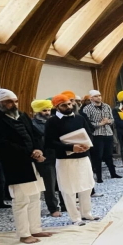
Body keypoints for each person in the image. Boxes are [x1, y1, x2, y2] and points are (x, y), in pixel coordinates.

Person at [0, 89, 54, 244]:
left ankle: (36, 228)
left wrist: (38, 149)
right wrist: (29, 152)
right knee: (21, 200)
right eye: (9, 101)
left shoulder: (22, 115)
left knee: (35, 197)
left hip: (33, 162)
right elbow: (1, 144)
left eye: (15, 101)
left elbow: (35, 135)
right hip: (15, 164)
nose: (13, 104)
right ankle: (24, 233)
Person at [44, 94, 98, 225]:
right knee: (69, 189)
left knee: (86, 186)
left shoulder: (79, 118)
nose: (68, 107)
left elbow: (89, 133)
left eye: (69, 104)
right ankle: (75, 217)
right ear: (57, 107)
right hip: (65, 159)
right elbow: (50, 143)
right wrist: (71, 147)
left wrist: (87, 144)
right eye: (64, 105)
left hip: (83, 157)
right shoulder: (52, 122)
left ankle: (86, 213)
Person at [30, 99, 61, 217]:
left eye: (49, 110)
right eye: (44, 110)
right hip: (45, 157)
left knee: (62, 182)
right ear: (37, 111)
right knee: (50, 185)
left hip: (57, 155)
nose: (47, 113)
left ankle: (65, 205)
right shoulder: (33, 124)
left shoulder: (54, 121)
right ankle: (53, 208)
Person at [81, 90, 120, 182]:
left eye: (99, 95)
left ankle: (113, 173)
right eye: (96, 96)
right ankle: (99, 177)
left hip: (108, 133)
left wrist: (108, 121)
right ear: (91, 98)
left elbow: (112, 119)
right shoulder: (87, 108)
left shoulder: (106, 106)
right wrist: (100, 124)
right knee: (98, 156)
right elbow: (87, 123)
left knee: (109, 155)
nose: (99, 97)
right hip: (97, 134)